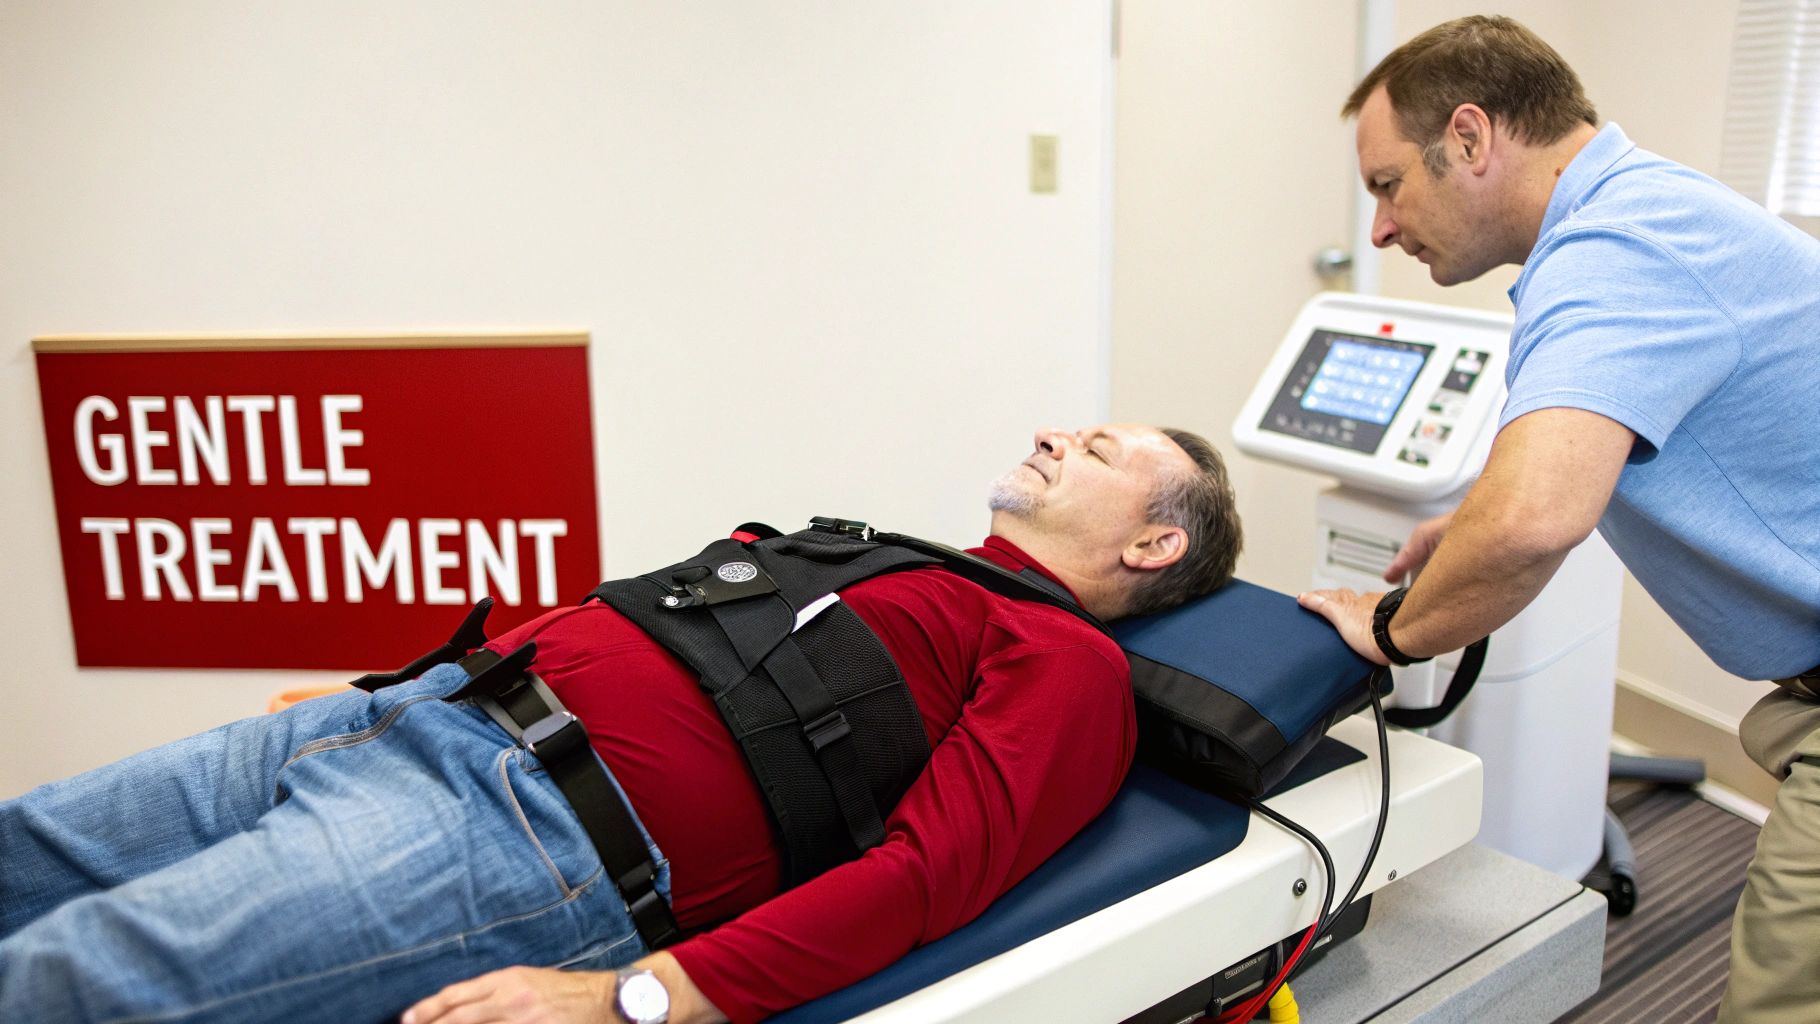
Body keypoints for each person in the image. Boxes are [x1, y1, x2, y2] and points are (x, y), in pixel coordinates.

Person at [0, 422, 1243, 1024]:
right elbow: (631, 620)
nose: (1050, 435)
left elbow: (923, 880)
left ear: (1151, 541)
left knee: (81, 976)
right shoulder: (891, 556)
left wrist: (630, 1000)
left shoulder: (1063, 662)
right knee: (25, 850)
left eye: (1094, 448)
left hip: (528, 835)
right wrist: (377, 693)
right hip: (400, 719)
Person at [1297, 15, 1820, 1023]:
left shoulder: (1612, 249)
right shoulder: (1643, 212)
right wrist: (1463, 529)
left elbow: (1535, 519)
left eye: (1384, 185)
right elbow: (1561, 457)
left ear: (1467, 136)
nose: (1379, 229)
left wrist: (1391, 628)